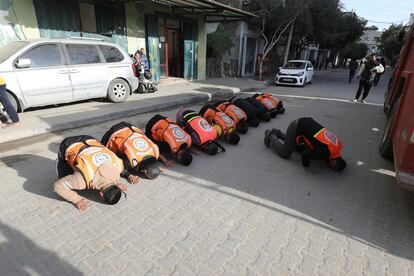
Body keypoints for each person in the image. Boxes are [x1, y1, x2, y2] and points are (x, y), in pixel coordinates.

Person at [54, 135, 131, 211]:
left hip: (90, 139)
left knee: (80, 166)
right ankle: (60, 162)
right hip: (69, 144)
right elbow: (58, 186)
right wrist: (77, 200)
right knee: (64, 177)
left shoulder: (119, 168)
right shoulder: (82, 181)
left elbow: (112, 172)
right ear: (101, 194)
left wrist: (116, 181)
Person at [264, 117, 347, 171]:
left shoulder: (338, 146)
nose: (331, 168)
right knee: (285, 153)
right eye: (333, 168)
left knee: (296, 147)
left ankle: (277, 133)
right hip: (296, 127)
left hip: (306, 123)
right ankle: (270, 135)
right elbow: (306, 154)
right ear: (335, 163)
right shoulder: (326, 153)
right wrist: (307, 166)